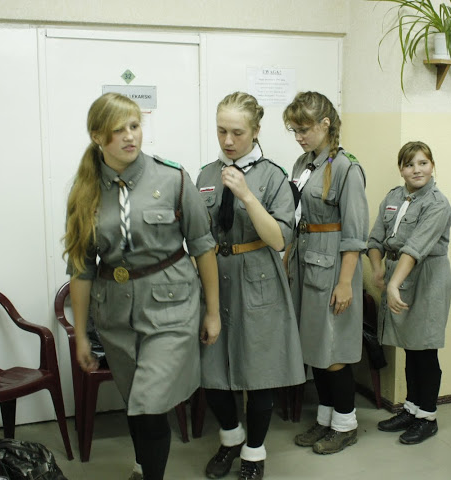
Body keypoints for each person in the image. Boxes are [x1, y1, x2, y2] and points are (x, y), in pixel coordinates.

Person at [64, 93, 221, 480]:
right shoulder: (85, 189)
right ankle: (142, 464)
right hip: (115, 312)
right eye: (118, 130)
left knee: (149, 404)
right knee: (135, 399)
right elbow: (81, 269)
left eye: (134, 126)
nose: (130, 136)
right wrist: (81, 335)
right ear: (98, 136)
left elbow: (203, 247)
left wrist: (213, 311)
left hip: (171, 307)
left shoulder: (172, 178)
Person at [198, 92, 305, 480]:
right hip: (215, 280)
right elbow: (197, 234)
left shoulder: (273, 176)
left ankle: (254, 453)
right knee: (212, 369)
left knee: (260, 372)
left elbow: (278, 239)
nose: (228, 141)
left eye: (237, 133)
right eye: (221, 131)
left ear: (256, 131)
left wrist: (245, 194)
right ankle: (230, 437)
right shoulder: (205, 175)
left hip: (259, 278)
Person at [284, 91, 369, 455]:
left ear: (325, 124)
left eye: (304, 129)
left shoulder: (347, 168)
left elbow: (355, 233)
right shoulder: (303, 163)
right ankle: (325, 419)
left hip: (334, 266)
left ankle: (346, 425)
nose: (299, 137)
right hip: (306, 261)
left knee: (334, 352)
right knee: (316, 347)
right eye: (294, 130)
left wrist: (346, 282)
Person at [370, 141, 451, 445]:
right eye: (409, 164)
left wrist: (393, 283)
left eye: (423, 163)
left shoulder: (438, 204)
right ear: (401, 169)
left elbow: (415, 248)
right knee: (410, 345)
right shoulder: (393, 197)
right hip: (400, 275)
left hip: (427, 278)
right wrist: (378, 269)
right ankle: (411, 408)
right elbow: (375, 239)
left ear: (432, 166)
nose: (417, 170)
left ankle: (427, 417)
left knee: (424, 348)